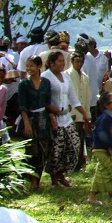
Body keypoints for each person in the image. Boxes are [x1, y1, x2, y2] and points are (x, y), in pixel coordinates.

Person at [43, 50, 91, 188]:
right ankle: (53, 177)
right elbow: (44, 99)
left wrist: (85, 114)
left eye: (63, 61)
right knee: (56, 149)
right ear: (51, 63)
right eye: (59, 61)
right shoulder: (46, 77)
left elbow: (73, 99)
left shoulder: (66, 77)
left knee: (74, 145)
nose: (62, 64)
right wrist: (52, 112)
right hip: (54, 118)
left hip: (67, 117)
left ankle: (62, 173)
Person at [16, 56, 53, 190]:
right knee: (32, 151)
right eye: (27, 66)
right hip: (30, 118)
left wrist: (52, 117)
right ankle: (31, 179)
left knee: (44, 150)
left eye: (31, 66)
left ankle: (37, 178)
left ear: (39, 67)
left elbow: (48, 102)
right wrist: (26, 122)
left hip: (43, 119)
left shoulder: (46, 83)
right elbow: (22, 105)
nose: (28, 69)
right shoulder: (24, 84)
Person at [67, 51, 92, 170]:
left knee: (81, 139)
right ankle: (71, 164)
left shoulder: (85, 76)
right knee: (72, 139)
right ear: (72, 62)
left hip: (82, 113)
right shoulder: (67, 75)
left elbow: (87, 96)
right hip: (72, 113)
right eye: (77, 61)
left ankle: (79, 163)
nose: (79, 64)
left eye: (81, 61)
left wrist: (87, 114)